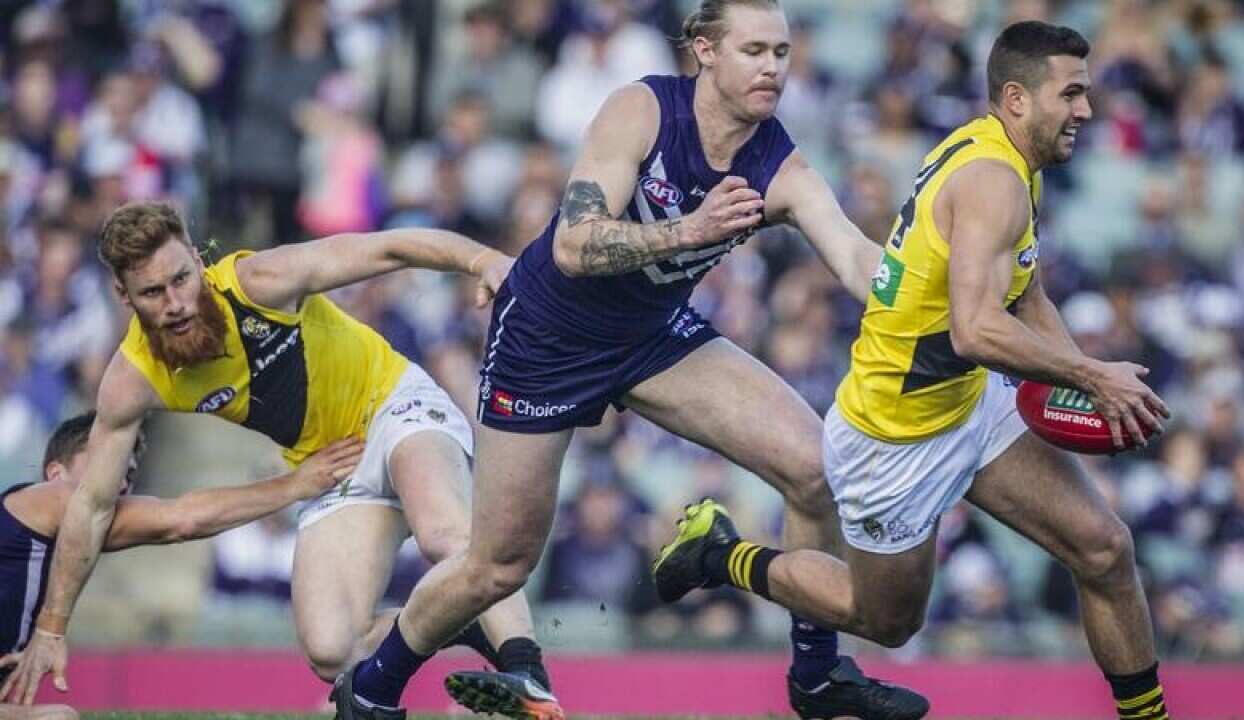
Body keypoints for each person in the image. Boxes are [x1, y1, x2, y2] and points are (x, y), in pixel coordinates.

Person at [338, 2, 928, 719]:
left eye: (782, 51)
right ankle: (372, 690)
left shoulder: (780, 162)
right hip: (545, 340)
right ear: (704, 51)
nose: (773, 66)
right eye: (753, 50)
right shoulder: (641, 109)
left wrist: (934, 302)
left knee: (813, 468)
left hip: (651, 336)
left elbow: (854, 256)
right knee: (498, 565)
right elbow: (572, 246)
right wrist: (692, 229)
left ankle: (815, 676)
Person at [657, 20, 1176, 720]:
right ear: (1018, 98)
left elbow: (1025, 291)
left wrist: (1078, 372)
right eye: (1073, 93)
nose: (1086, 109)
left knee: (1105, 548)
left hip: (965, 404)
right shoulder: (994, 180)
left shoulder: (1009, 156)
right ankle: (720, 556)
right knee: (884, 621)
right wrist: (1094, 379)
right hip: (894, 434)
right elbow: (977, 328)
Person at [0, 202, 564, 720]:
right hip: (333, 462)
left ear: (198, 262)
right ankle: (459, 618)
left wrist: (483, 259)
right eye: (152, 293)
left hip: (396, 406)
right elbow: (92, 505)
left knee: (447, 537)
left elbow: (387, 247)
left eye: (181, 279)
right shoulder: (132, 380)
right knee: (331, 650)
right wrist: (51, 626)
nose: (175, 304)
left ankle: (527, 675)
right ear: (124, 297)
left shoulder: (259, 283)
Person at [0, 412, 364, 718]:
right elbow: (181, 519)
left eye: (127, 475)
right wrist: (295, 485)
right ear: (55, 474)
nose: (120, 485)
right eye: (106, 469)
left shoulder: (47, 536)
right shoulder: (52, 501)